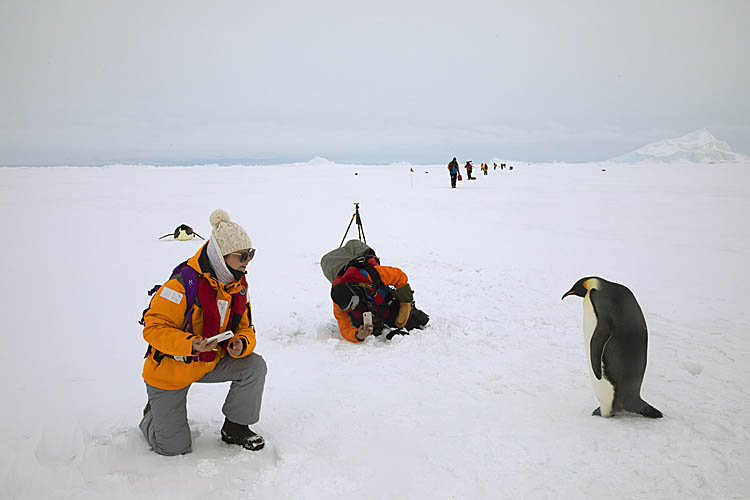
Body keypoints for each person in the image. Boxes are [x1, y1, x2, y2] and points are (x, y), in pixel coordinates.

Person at [139, 209, 267, 456]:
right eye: (242, 255)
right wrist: (191, 344)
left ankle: (235, 429)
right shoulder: (181, 285)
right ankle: (152, 415)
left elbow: (245, 328)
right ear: (221, 256)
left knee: (254, 366)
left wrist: (242, 342)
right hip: (170, 371)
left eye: (251, 254)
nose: (248, 260)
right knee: (173, 449)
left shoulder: (237, 285)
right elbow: (153, 329)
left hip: (209, 361)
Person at [330, 259, 429, 343]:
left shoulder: (371, 275)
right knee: (360, 323)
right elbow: (345, 327)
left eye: (353, 303)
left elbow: (399, 276)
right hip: (366, 311)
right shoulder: (339, 301)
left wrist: (405, 304)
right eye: (348, 308)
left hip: (385, 302)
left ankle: (411, 313)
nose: (352, 307)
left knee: (412, 322)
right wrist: (357, 335)